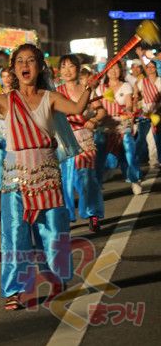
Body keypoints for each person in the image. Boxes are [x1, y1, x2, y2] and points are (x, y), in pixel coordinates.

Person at [0, 44, 97, 310]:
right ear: (14, 68)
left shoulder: (50, 97)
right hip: (15, 180)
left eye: (31, 60)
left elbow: (75, 108)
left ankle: (58, 280)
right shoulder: (4, 100)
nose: (25, 65)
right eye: (20, 61)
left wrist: (89, 87)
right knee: (15, 234)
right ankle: (14, 290)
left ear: (39, 67)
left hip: (47, 175)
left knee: (53, 231)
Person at [56, 54, 106, 232]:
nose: (67, 70)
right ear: (59, 71)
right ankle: (66, 215)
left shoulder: (87, 88)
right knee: (65, 180)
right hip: (65, 141)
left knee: (87, 178)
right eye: (64, 66)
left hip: (84, 139)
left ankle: (93, 214)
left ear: (78, 69)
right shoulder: (55, 91)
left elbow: (101, 111)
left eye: (71, 66)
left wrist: (94, 121)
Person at [96, 62, 142, 194]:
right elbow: (96, 107)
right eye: (111, 68)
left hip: (122, 124)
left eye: (116, 68)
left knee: (129, 152)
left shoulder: (126, 86)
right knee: (101, 156)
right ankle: (97, 184)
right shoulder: (100, 88)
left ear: (120, 71)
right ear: (106, 71)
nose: (113, 71)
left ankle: (135, 179)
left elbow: (128, 104)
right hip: (105, 125)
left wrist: (125, 112)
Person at [134, 60, 161, 168]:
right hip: (146, 112)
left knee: (157, 136)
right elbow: (138, 96)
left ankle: (155, 159)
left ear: (156, 68)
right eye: (148, 67)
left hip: (158, 110)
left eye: (152, 67)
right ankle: (151, 160)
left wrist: (156, 109)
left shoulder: (159, 81)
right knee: (147, 137)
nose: (150, 69)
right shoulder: (142, 82)